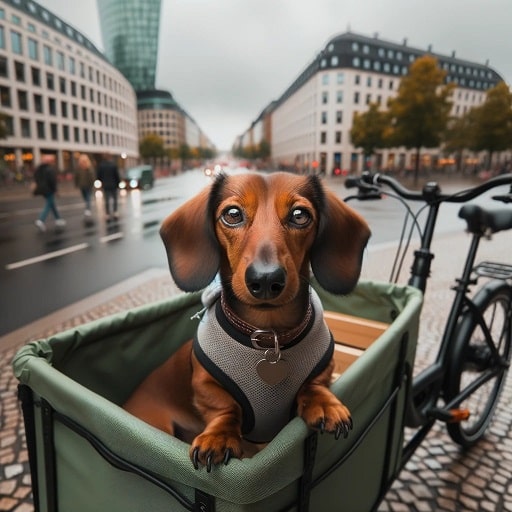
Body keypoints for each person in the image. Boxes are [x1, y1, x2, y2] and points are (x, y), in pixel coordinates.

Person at [33, 154, 66, 232]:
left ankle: (58, 219)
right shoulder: (50, 169)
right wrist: (55, 190)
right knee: (48, 204)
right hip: (49, 189)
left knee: (52, 204)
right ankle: (41, 220)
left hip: (42, 189)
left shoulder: (39, 169)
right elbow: (53, 181)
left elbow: (36, 178)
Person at [96, 153, 120, 220]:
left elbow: (98, 176)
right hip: (114, 185)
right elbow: (117, 175)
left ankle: (107, 213)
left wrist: (102, 181)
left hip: (105, 185)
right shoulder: (113, 165)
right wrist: (118, 183)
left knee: (107, 200)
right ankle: (115, 212)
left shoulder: (101, 165)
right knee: (115, 199)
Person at [75, 153, 95, 217]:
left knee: (87, 197)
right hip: (83, 185)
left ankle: (88, 209)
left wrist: (92, 184)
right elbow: (76, 177)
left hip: (87, 185)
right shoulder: (79, 168)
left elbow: (92, 177)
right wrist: (76, 184)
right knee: (86, 197)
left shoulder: (88, 168)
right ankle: (87, 208)